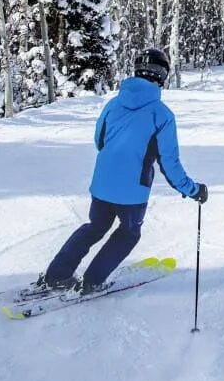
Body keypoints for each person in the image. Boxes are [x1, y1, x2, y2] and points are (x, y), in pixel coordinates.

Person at [36, 46, 207, 294]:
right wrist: (193, 190)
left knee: (94, 227)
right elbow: (170, 164)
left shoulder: (113, 104)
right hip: (132, 192)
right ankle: (93, 281)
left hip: (102, 183)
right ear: (162, 76)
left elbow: (100, 140)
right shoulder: (162, 115)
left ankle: (56, 275)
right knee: (128, 233)